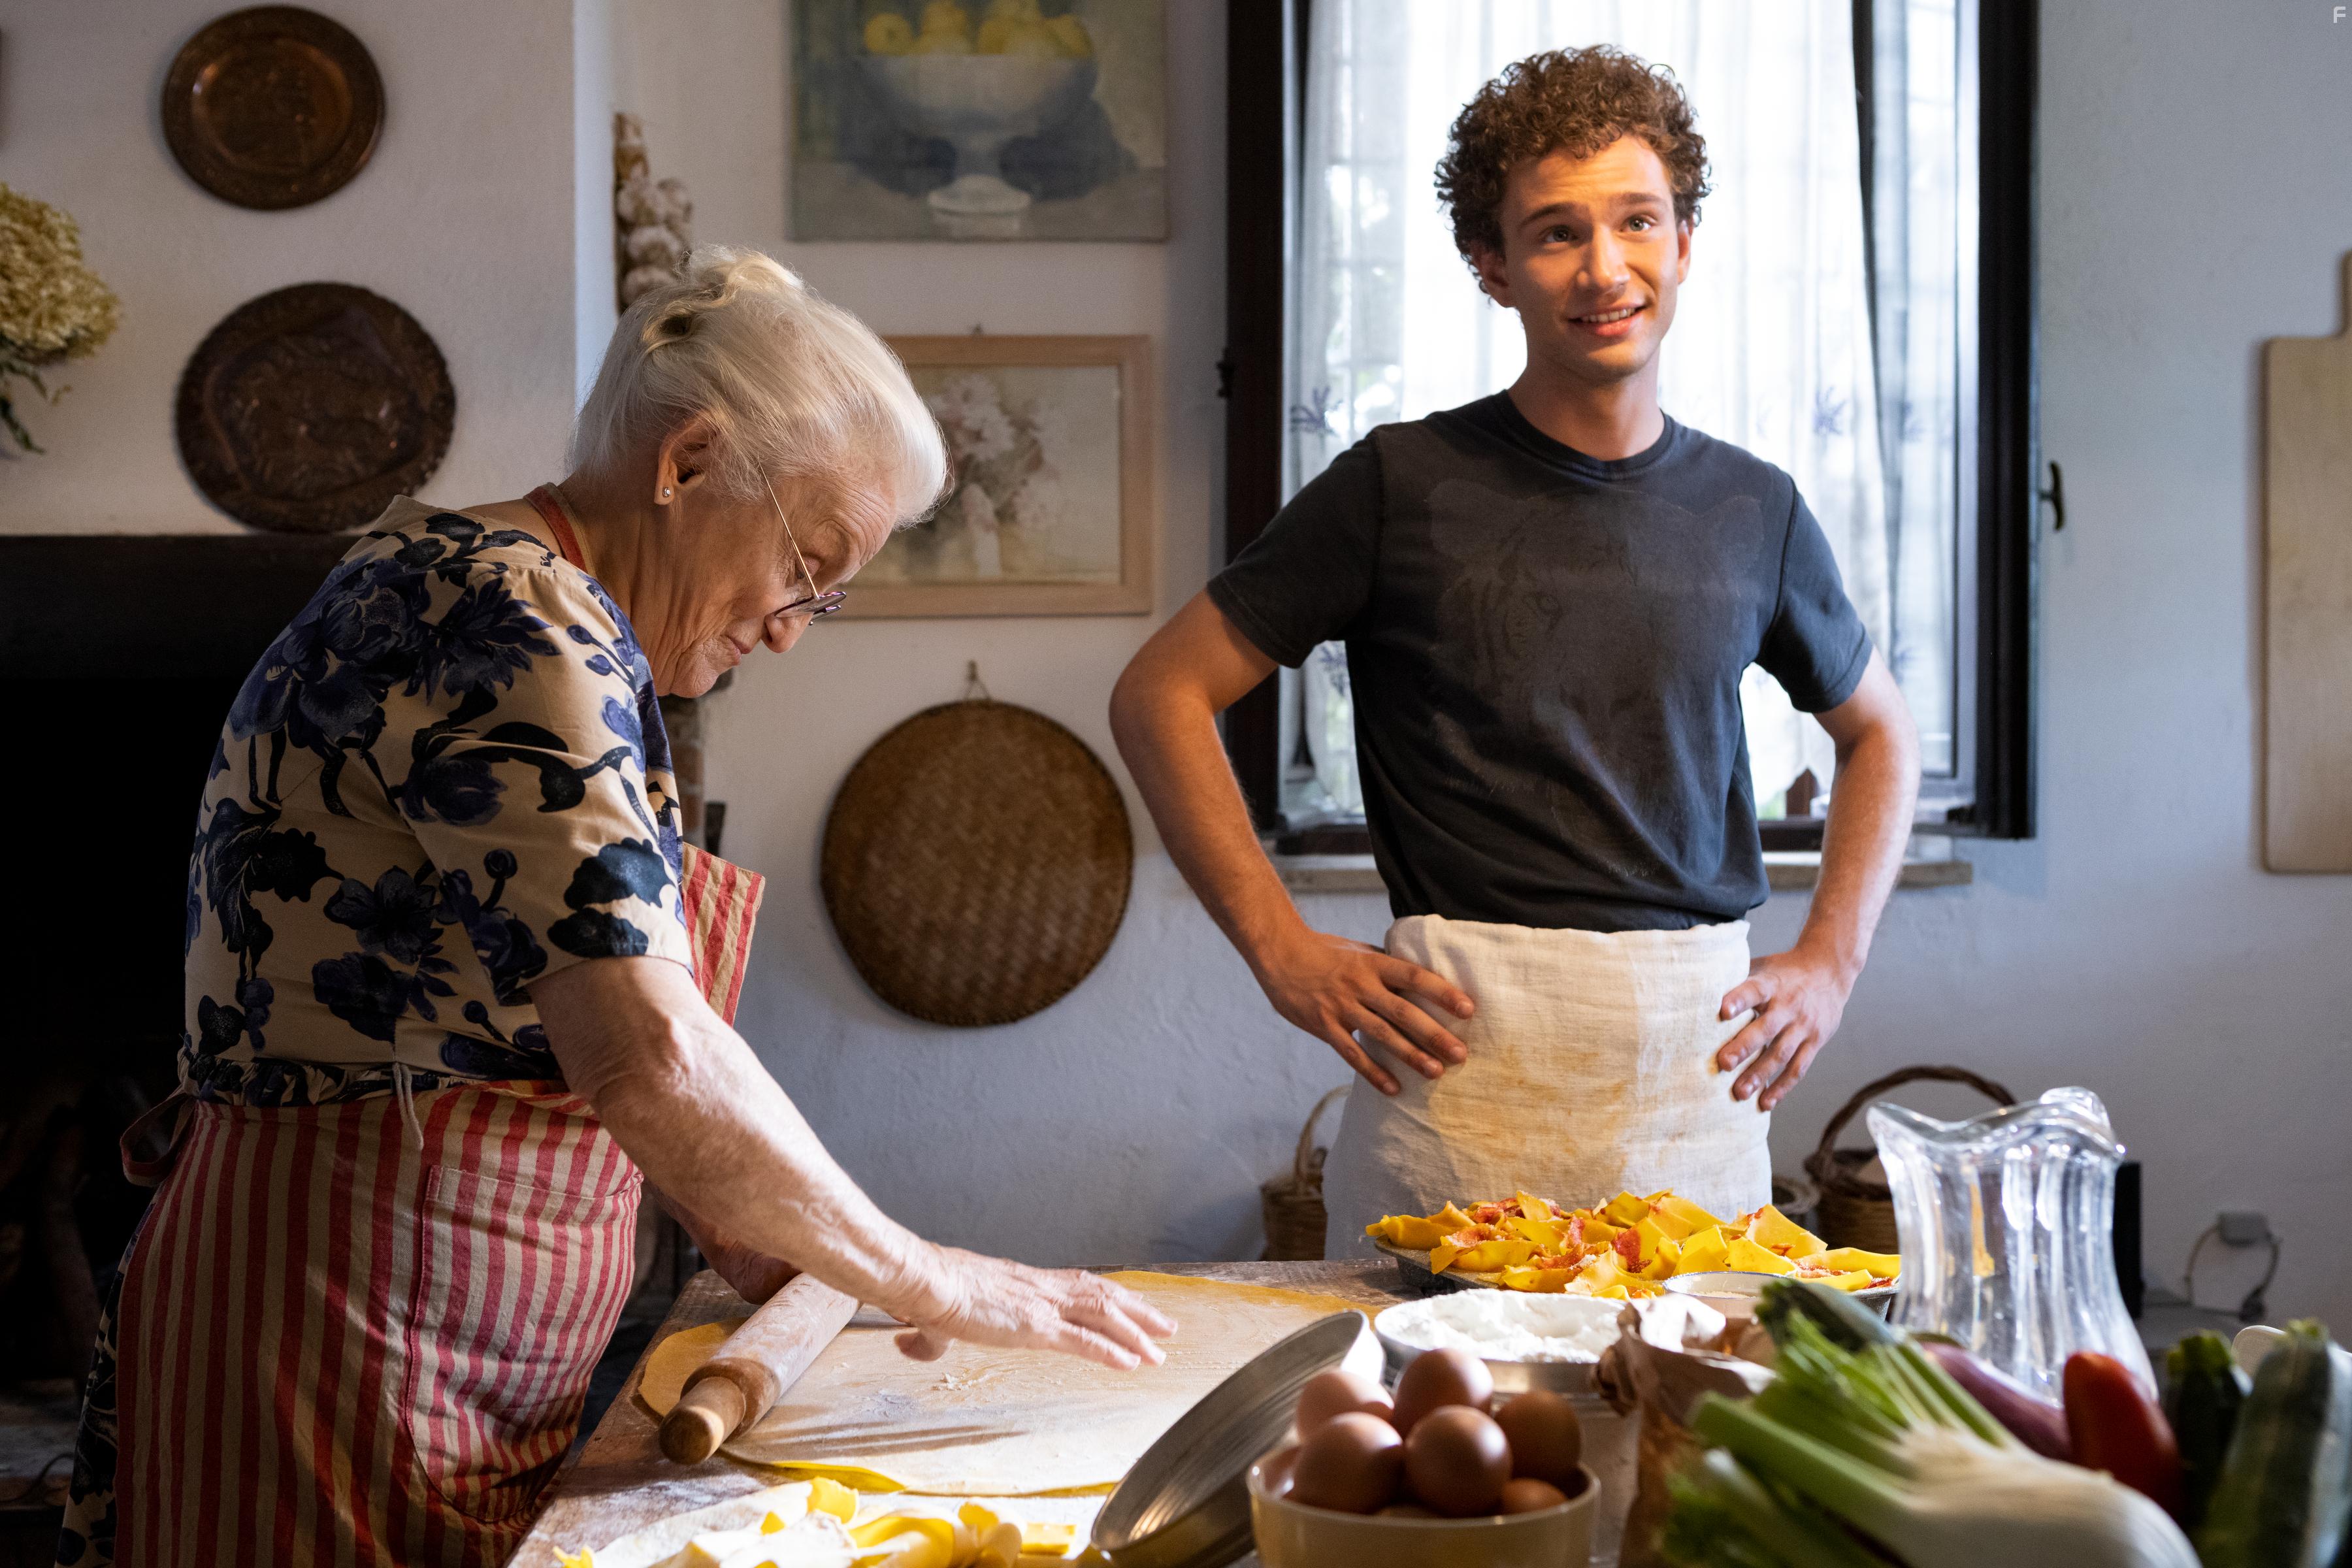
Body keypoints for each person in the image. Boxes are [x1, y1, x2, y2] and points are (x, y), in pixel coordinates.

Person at [59, 248, 1173, 1568]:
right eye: (804, 567)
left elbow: (559, 997)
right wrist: (934, 1275)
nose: (788, 629)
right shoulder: (511, 619)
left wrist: (751, 1230)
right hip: (342, 1336)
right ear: (690, 461)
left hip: (416, 1343)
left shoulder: (521, 604)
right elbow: (647, 1050)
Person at [1111, 49, 1921, 1252]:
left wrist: (1830, 962)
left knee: (1678, 1431)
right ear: (1492, 266)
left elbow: (1881, 734)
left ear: (1685, 242)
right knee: (1428, 1434)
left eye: (1637, 221)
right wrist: (1282, 951)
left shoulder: (1758, 509)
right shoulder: (1397, 485)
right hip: (1459, 1092)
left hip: (1695, 1095)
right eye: (1554, 233)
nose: (1605, 268)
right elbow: (1161, 693)